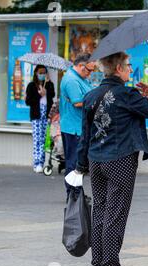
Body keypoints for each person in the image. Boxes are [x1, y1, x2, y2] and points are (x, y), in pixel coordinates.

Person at [70, 52, 148, 266]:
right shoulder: (125, 94)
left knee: (101, 211)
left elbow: (85, 135)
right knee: (116, 212)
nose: (130, 69)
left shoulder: (92, 95)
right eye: (128, 66)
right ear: (118, 69)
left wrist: (80, 166)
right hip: (120, 159)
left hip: (96, 160)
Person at [59, 53, 95, 201]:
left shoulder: (80, 78)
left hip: (78, 126)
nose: (90, 73)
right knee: (73, 162)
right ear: (81, 66)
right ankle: (73, 194)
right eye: (89, 70)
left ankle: (77, 192)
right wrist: (95, 102)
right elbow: (78, 102)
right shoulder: (72, 80)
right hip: (73, 128)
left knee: (78, 162)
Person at [25, 65, 55, 173]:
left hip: (46, 115)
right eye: (40, 72)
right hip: (36, 115)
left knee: (44, 140)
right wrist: (39, 95)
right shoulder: (31, 86)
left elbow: (52, 95)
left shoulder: (49, 84)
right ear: (36, 73)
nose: (42, 75)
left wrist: (47, 89)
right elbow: (28, 101)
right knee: (37, 140)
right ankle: (37, 163)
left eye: (44, 72)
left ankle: (41, 163)